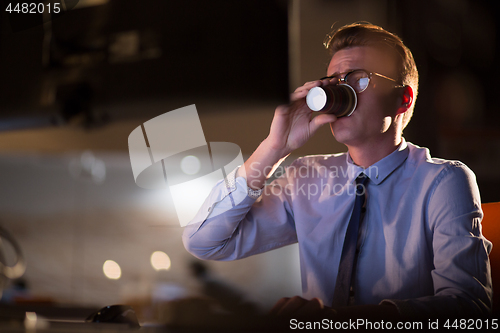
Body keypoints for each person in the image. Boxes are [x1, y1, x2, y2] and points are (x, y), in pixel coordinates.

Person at [182, 22, 492, 320]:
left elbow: (468, 306)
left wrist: (339, 321)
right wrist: (275, 147)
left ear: (401, 99)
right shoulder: (306, 176)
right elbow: (204, 242)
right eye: (334, 82)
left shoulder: (442, 182)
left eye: (357, 79)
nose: (341, 94)